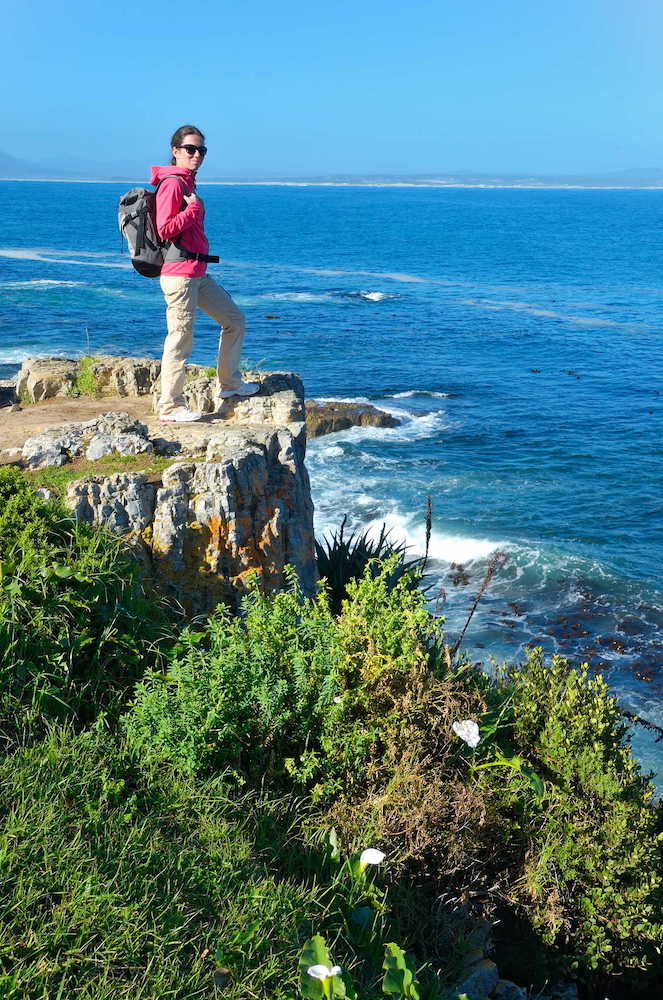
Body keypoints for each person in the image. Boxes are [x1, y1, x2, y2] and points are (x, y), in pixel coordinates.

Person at [151, 125, 259, 422]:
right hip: (180, 275)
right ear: (175, 151)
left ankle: (229, 385)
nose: (197, 155)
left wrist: (193, 208)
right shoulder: (173, 184)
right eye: (190, 149)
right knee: (180, 339)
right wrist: (193, 211)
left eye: (201, 150)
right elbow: (164, 230)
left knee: (234, 320)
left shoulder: (188, 183)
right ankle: (170, 406)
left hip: (196, 272)